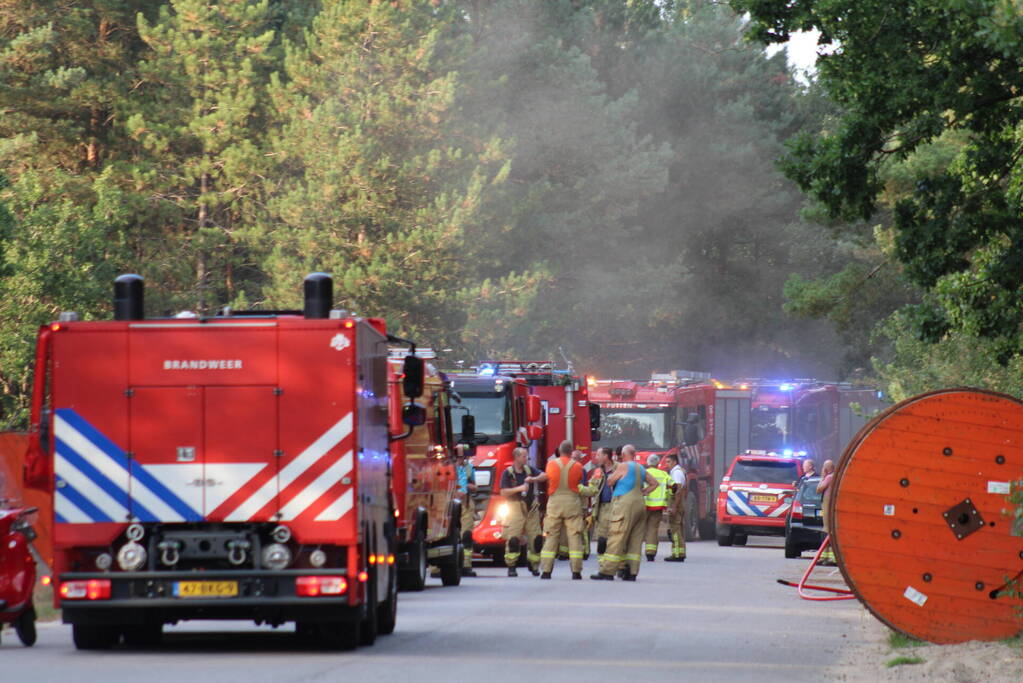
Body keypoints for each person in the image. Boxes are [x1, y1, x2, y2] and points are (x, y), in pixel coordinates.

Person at [591, 444, 658, 581]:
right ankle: (632, 572)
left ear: (623, 454)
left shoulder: (623, 466)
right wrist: (643, 492)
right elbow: (654, 483)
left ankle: (607, 571)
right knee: (635, 539)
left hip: (625, 504)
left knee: (617, 536)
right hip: (640, 504)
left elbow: (610, 481)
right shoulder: (640, 468)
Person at [533, 440, 588, 579]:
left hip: (555, 504)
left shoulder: (551, 464)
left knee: (551, 536)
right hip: (572, 504)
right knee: (574, 537)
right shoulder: (578, 466)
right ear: (571, 452)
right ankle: (576, 572)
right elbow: (579, 482)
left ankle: (546, 571)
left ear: (559, 451)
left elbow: (547, 478)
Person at [499, 447, 543, 577]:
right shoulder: (507, 473)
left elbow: (544, 475)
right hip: (514, 507)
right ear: (517, 457)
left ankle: (534, 565)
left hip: (531, 508)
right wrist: (519, 488)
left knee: (537, 539)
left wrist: (533, 479)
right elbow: (503, 492)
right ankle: (511, 566)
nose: (526, 458)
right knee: (513, 539)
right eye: (524, 456)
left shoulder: (529, 470)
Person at [642, 454, 672, 561]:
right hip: (658, 507)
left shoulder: (643, 473)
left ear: (648, 462)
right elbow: (674, 486)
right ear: (658, 463)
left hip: (643, 505)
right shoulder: (664, 474)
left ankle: (632, 552)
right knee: (653, 529)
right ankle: (650, 553)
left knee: (639, 529)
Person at [454, 444, 478, 577]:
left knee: (466, 535)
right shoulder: (448, 467)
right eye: (458, 456)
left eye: (463, 456)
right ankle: (437, 569)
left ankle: (466, 565)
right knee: (447, 535)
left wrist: (470, 486)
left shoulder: (469, 468)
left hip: (466, 504)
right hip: (450, 503)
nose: (461, 459)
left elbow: (475, 487)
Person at [590, 448, 615, 562]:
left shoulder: (618, 469)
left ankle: (618, 565)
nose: (596, 457)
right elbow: (592, 488)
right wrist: (579, 489)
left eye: (598, 455)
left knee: (615, 536)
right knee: (602, 537)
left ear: (606, 456)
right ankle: (602, 564)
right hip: (602, 507)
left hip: (616, 506)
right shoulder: (598, 471)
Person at [663, 453, 687, 562]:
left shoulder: (676, 473)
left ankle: (677, 554)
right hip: (678, 504)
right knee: (679, 529)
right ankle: (680, 552)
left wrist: (674, 507)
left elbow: (678, 491)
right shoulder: (679, 472)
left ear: (674, 462)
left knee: (675, 529)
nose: (666, 464)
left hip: (676, 504)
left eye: (668, 462)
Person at [816, 459, 836, 565]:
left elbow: (819, 489)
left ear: (827, 468)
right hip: (831, 506)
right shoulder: (836, 476)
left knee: (827, 531)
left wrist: (822, 476)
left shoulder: (828, 477)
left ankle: (829, 557)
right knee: (828, 530)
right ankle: (826, 556)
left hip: (827, 506)